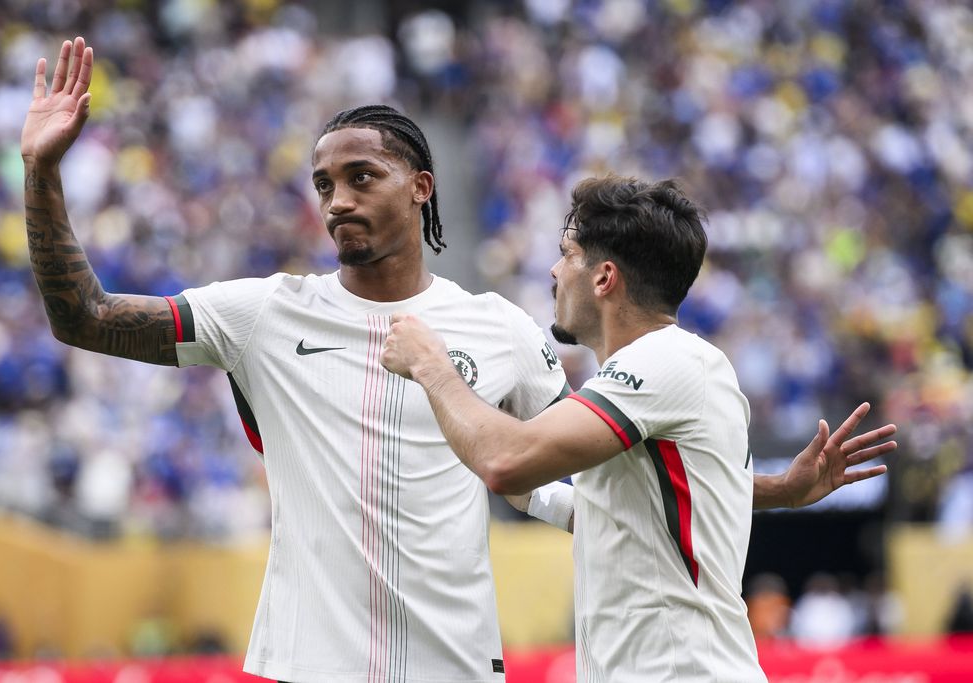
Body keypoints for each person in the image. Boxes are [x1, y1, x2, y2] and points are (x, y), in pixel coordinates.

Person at [23, 38, 894, 682]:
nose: (337, 200)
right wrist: (42, 173)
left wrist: (763, 491)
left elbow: (584, 484)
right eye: (324, 184)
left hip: (461, 669)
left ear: (422, 187)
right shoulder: (262, 314)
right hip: (304, 665)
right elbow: (85, 316)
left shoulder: (501, 331)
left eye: (362, 176)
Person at [380, 176, 898, 681]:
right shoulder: (663, 375)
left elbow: (503, 460)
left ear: (604, 278)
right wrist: (779, 491)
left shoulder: (665, 360)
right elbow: (628, 512)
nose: (555, 272)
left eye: (567, 254)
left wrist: (432, 366)